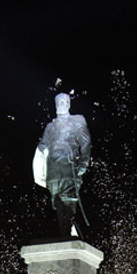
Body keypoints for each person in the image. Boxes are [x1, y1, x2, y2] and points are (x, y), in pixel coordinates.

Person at [34, 92, 92, 237]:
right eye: (59, 102)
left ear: (69, 104)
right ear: (56, 105)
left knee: (69, 198)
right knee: (57, 201)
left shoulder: (77, 121)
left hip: (69, 165)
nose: (62, 104)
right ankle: (65, 232)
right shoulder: (50, 126)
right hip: (53, 168)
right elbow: (43, 145)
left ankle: (66, 233)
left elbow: (85, 143)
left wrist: (84, 162)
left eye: (65, 101)